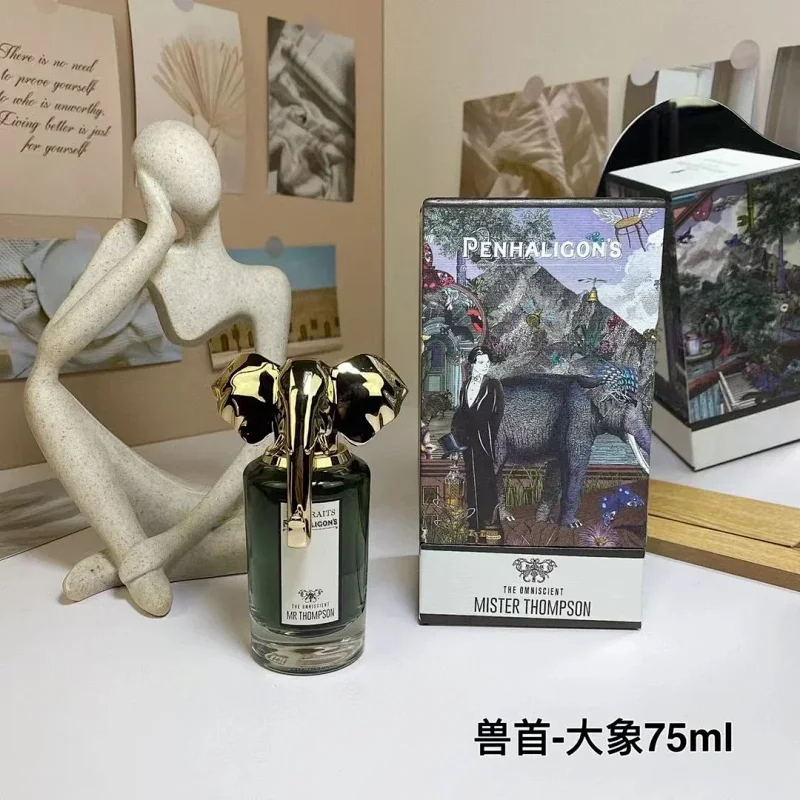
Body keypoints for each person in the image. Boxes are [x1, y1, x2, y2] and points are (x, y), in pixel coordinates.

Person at [450, 346, 504, 532]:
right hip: (467, 440)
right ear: (472, 364)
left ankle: (490, 520)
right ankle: (474, 521)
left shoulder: (493, 385)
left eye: (487, 363)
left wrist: (488, 435)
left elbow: (497, 414)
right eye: (481, 362)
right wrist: (457, 436)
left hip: (483, 439)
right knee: (471, 477)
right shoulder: (465, 386)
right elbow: (462, 413)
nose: (485, 366)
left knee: (486, 478)